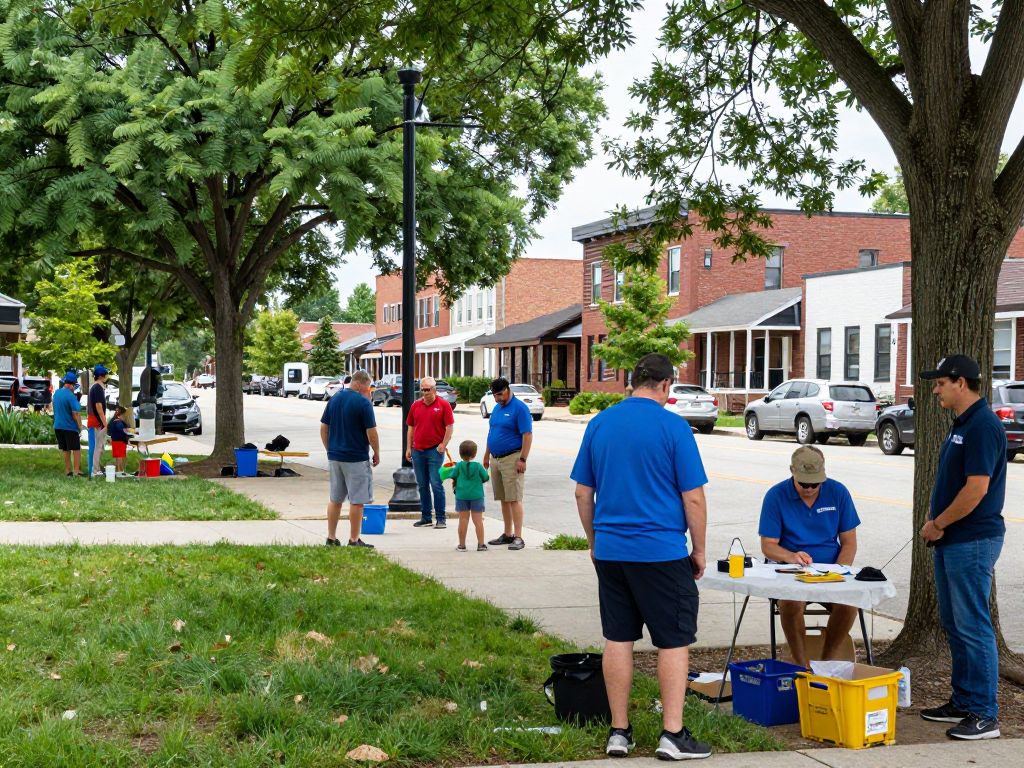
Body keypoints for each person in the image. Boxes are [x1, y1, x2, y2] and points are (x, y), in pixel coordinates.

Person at [571, 353, 711, 761]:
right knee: (673, 641)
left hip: (612, 551)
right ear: (667, 386)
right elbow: (694, 498)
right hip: (661, 551)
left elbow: (583, 493)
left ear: (632, 382)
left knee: (618, 638)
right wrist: (699, 550)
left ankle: (619, 731)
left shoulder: (600, 423)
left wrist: (595, 540)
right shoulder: (674, 427)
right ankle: (672, 734)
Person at [919, 354, 1006, 741]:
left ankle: (985, 715)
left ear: (960, 382)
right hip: (953, 539)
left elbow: (977, 489)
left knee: (974, 626)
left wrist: (938, 523)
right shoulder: (963, 424)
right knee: (955, 625)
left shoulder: (983, 427)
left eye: (940, 382)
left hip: (972, 540)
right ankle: (964, 701)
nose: (935, 389)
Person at [758, 445, 861, 669]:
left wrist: (839, 570)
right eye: (804, 483)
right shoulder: (776, 496)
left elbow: (849, 542)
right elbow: (768, 546)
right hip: (791, 571)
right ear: (792, 472)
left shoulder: (838, 492)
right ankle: (801, 665)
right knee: (790, 602)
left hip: (830, 570)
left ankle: (826, 661)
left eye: (816, 483)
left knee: (849, 602)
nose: (810, 488)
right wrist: (791, 556)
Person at [320, 369, 380, 548]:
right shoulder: (363, 403)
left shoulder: (335, 398)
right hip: (356, 458)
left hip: (335, 457)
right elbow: (372, 432)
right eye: (368, 387)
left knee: (335, 498)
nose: (368, 391)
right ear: (360, 384)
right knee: (357, 500)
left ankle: (331, 537)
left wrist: (330, 450)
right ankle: (354, 539)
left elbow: (324, 428)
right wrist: (376, 452)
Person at [483, 377, 533, 550]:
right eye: (495, 396)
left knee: (514, 498)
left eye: (500, 395)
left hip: (513, 458)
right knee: (503, 498)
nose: (497, 399)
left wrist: (523, 459)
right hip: (495, 458)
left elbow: (527, 435)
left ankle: (518, 537)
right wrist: (486, 456)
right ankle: (507, 533)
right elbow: (492, 433)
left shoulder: (520, 409)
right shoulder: (497, 409)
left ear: (507, 389)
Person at [406, 376, 455, 529]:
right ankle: (426, 517)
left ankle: (441, 518)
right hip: (418, 450)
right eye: (423, 389)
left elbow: (449, 427)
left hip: (435, 450)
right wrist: (409, 447)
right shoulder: (416, 405)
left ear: (434, 389)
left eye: (428, 389)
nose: (425, 393)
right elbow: (411, 428)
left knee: (436, 483)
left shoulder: (443, 405)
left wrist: (443, 444)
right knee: (422, 485)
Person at [449, 439, 489, 552]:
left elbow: (453, 475)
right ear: (475, 454)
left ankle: (462, 545)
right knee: (478, 521)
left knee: (463, 520)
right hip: (477, 496)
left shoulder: (458, 466)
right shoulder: (478, 466)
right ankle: (481, 544)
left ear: (460, 454)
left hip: (462, 496)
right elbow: (485, 477)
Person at [53, 372, 83, 477]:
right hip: (70, 427)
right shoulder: (71, 396)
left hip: (58, 426)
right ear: (72, 385)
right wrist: (80, 426)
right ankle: (76, 471)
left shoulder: (56, 393)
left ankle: (67, 470)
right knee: (76, 449)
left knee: (65, 449)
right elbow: (75, 414)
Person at [87, 364, 110, 478]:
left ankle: (97, 469)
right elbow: (99, 407)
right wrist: (105, 423)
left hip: (96, 420)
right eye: (105, 374)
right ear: (102, 376)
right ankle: (95, 470)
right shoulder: (98, 388)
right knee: (98, 446)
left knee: (99, 446)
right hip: (97, 421)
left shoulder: (95, 387)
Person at [109, 405, 131, 475]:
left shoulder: (113, 420)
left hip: (115, 441)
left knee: (117, 457)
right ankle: (120, 470)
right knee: (120, 456)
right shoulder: (118, 422)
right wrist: (128, 434)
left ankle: (118, 470)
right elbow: (121, 431)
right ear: (122, 414)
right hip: (120, 441)